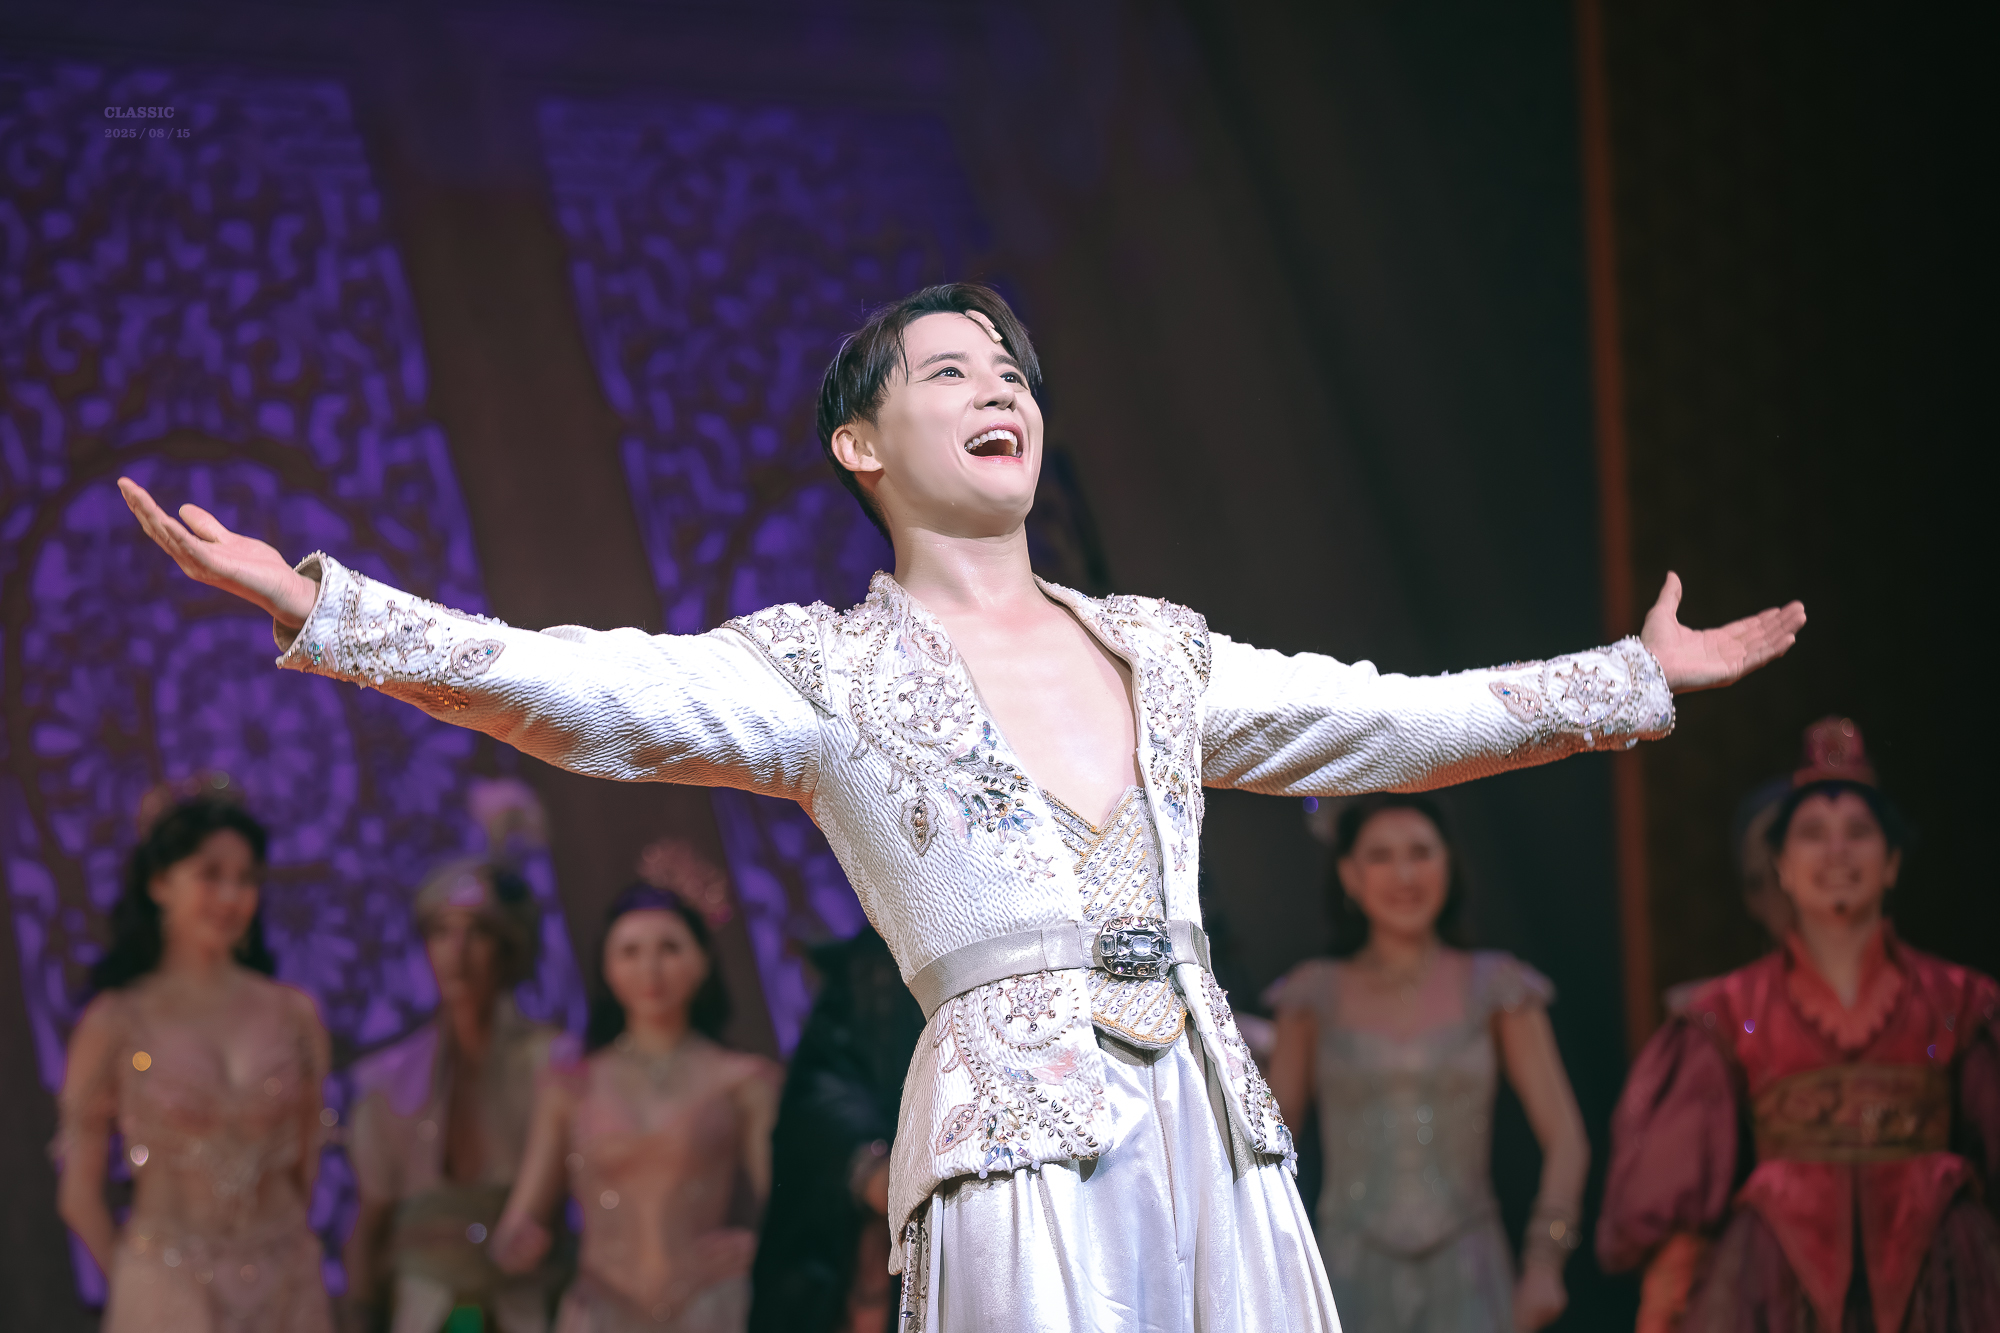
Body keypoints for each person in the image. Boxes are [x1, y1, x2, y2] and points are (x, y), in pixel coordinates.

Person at [117, 281, 1805, 1332]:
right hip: (1010, 1134)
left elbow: (1397, 720)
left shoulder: (1159, 649)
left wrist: (1629, 675)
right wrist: (326, 609)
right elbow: (571, 687)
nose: (1001, 388)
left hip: (1211, 1122)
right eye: (949, 369)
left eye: (1013, 370)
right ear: (862, 444)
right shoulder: (823, 668)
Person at [1598, 718, 2000, 1332]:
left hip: (1942, 1285)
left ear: (1892, 863)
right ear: (1782, 867)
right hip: (1775, 1289)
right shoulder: (1729, 1011)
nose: (1837, 853)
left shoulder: (1963, 1001)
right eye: (1813, 834)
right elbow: (1680, 1187)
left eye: (1858, 833)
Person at [1266, 793, 1590, 1333]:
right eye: (1380, 856)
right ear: (1349, 875)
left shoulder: (1498, 987)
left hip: (1469, 1268)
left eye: (1421, 852)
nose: (1404, 875)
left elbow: (1567, 1139)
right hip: (1348, 1270)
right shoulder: (1311, 995)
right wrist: (1271, 1271)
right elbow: (1270, 1152)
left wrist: (1544, 1263)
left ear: (1449, 864)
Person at [55, 794, 335, 1332]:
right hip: (167, 1290)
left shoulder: (294, 1014)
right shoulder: (117, 1021)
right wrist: (138, 1287)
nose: (231, 897)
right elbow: (79, 1196)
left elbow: (307, 1165)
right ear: (160, 883)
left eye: (246, 879)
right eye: (210, 875)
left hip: (287, 1283)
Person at [490, 885, 781, 1332]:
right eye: (630, 952)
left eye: (669, 948)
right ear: (606, 968)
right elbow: (520, 1218)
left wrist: (760, 1247)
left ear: (702, 961)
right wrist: (516, 1243)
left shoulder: (743, 1080)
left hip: (708, 1304)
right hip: (601, 1308)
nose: (650, 969)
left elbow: (787, 1208)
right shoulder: (570, 1085)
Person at [344, 858, 571, 1333]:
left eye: (478, 932)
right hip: (425, 1306)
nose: (457, 952)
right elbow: (371, 1219)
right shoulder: (387, 1079)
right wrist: (359, 1311)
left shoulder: (551, 1063)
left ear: (508, 947)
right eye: (441, 933)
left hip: (527, 1301)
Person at [749, 926, 928, 1333]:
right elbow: (825, 1123)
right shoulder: (821, 1072)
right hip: (823, 1286)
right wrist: (865, 1164)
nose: (882, 994)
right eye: (869, 979)